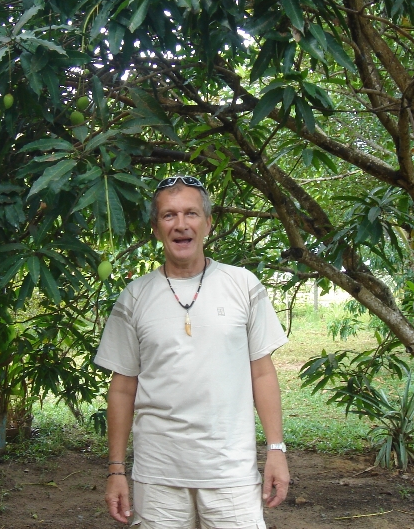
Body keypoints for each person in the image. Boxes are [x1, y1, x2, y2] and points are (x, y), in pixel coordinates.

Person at [94, 175, 290, 528]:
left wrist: (276, 449)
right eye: (169, 215)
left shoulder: (242, 284)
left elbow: (262, 372)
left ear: (208, 223)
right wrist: (116, 470)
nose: (181, 224)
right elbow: (122, 388)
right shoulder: (135, 296)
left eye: (191, 213)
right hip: (158, 475)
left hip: (231, 472)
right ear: (156, 229)